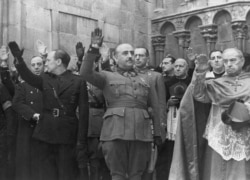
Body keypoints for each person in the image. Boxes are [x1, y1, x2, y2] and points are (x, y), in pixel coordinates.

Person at [80, 28, 163, 180]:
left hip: (141, 133)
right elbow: (85, 73)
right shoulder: (106, 76)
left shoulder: (146, 80)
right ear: (115, 58)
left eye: (132, 53)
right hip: (114, 133)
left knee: (137, 174)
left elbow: (156, 108)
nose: (130, 56)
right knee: (117, 174)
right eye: (125, 53)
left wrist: (157, 132)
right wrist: (93, 49)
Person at [8, 42, 89, 180]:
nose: (46, 64)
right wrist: (19, 60)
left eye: (49, 60)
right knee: (45, 173)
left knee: (66, 173)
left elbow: (83, 113)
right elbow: (27, 76)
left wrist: (81, 142)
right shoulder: (44, 79)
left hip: (67, 133)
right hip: (45, 133)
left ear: (58, 62)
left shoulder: (78, 81)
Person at [170, 48, 250, 180]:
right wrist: (200, 71)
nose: (229, 64)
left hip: (244, 136)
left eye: (233, 60)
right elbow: (199, 95)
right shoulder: (215, 83)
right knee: (216, 173)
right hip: (219, 137)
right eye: (226, 61)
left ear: (242, 61)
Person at [134, 47, 167, 180]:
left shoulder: (155, 76)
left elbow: (161, 104)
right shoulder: (127, 75)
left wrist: (161, 126)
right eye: (135, 55)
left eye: (141, 56)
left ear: (147, 58)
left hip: (150, 123)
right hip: (132, 122)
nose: (137, 58)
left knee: (149, 163)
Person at [11, 56, 44, 180]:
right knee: (25, 166)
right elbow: (17, 103)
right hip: (27, 130)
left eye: (39, 64)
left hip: (45, 130)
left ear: (44, 65)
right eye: (33, 64)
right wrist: (33, 115)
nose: (36, 67)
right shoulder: (23, 86)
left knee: (42, 165)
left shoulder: (49, 85)